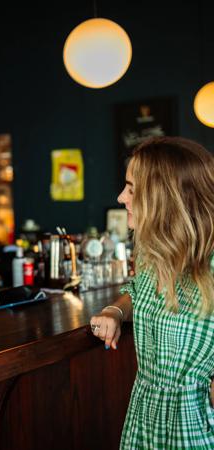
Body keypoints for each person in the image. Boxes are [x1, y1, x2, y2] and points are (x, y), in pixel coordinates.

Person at [90, 136, 214, 449]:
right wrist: (115, 311)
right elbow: (139, 291)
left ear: (164, 196)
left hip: (195, 428)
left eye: (131, 188)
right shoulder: (153, 252)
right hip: (145, 419)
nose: (120, 198)